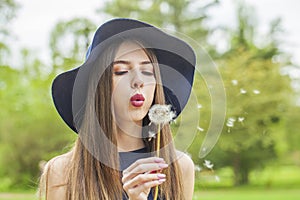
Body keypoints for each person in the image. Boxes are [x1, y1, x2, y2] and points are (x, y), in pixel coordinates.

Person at [39, 18, 196, 200]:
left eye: (147, 72)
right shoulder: (62, 172)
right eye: (121, 71)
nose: (138, 81)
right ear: (100, 87)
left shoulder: (179, 167)